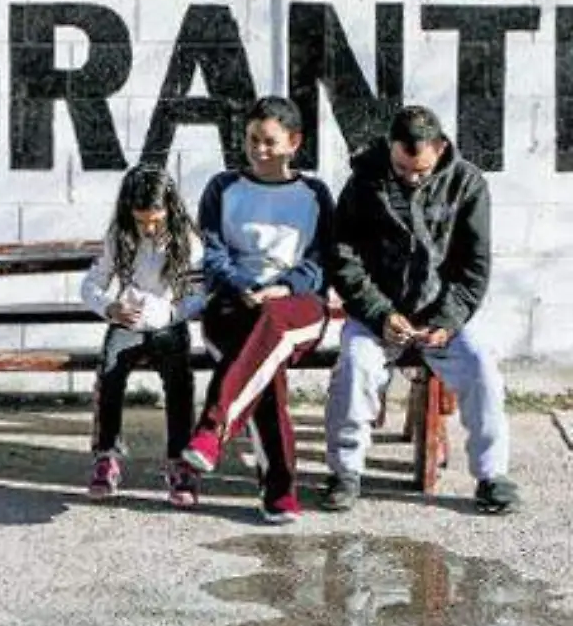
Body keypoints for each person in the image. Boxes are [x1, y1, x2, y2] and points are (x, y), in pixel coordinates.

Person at [319, 105, 519, 515]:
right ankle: (345, 474)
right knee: (354, 365)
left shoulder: (468, 185)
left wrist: (446, 321)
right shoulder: (363, 183)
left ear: (441, 148)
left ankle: (492, 476)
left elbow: (474, 268)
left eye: (420, 171)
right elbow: (343, 257)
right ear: (390, 148)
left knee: (482, 364)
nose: (410, 177)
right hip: (378, 316)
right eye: (402, 167)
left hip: (441, 316)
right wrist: (378, 313)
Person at [178, 96, 338, 524]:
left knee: (273, 327)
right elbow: (213, 255)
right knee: (266, 372)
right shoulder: (222, 188)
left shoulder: (315, 194)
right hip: (233, 305)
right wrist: (244, 287)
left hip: (297, 307)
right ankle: (279, 492)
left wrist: (283, 287)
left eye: (269, 142)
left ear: (294, 142)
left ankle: (213, 429)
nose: (258, 150)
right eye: (252, 140)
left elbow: (322, 262)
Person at [79, 164, 208, 507]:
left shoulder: (188, 242)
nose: (149, 228)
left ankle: (180, 462)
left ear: (170, 208)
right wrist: (109, 308)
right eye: (141, 220)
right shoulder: (118, 238)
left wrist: (172, 312)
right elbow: (91, 284)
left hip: (168, 321)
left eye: (156, 219)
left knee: (179, 380)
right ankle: (106, 456)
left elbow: (201, 293)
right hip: (128, 321)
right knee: (110, 373)